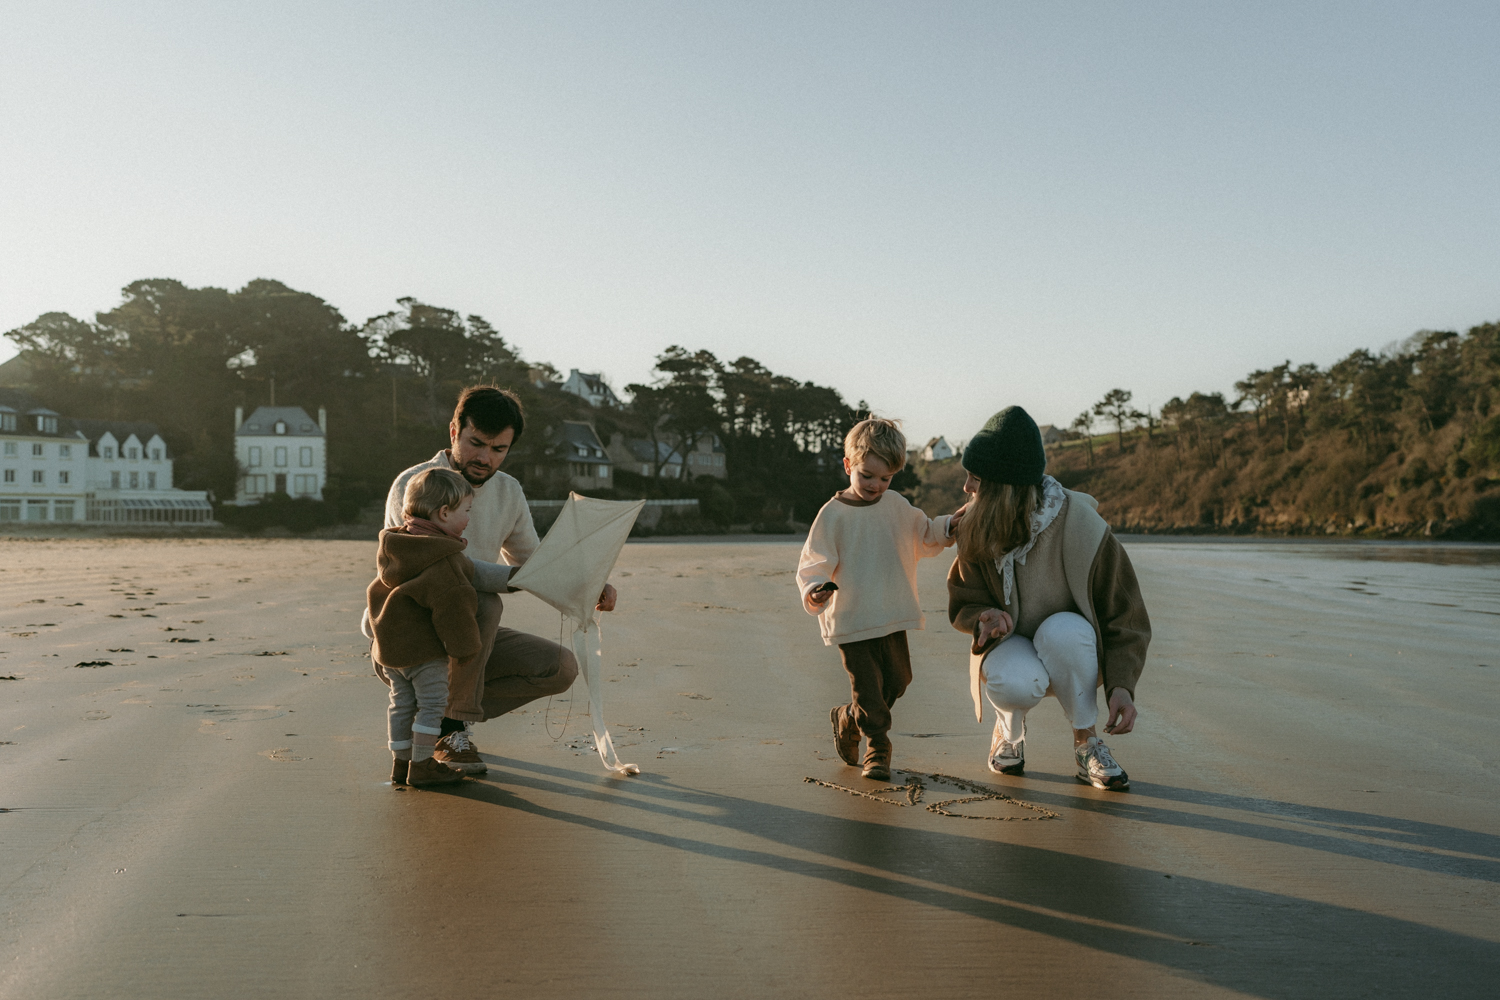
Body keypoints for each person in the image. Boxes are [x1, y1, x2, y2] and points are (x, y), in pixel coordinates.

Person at [372, 385, 618, 774]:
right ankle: (452, 727)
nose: (485, 458)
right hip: (408, 632)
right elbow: (418, 570)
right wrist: (511, 580)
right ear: (454, 431)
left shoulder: (508, 491)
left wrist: (588, 589)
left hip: (466, 630)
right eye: (476, 443)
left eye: (498, 449)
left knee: (559, 668)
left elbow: (535, 565)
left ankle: (439, 717)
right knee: (485, 601)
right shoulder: (417, 483)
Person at [947, 405, 1150, 790]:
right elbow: (964, 597)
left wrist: (1122, 685)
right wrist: (984, 615)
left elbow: (1126, 614)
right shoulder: (973, 526)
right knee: (1013, 682)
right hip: (1010, 645)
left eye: (974, 478)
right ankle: (1008, 733)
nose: (966, 488)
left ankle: (1086, 742)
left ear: (1002, 486)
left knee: (1065, 630)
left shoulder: (1083, 527)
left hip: (1072, 647)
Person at [797, 417, 963, 781]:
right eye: (867, 476)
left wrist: (949, 525)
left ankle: (847, 718)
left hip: (891, 612)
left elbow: (924, 534)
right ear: (848, 466)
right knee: (869, 688)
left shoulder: (896, 506)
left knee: (899, 679)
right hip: (852, 619)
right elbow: (814, 563)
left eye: (885, 478)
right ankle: (878, 748)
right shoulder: (833, 515)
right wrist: (816, 589)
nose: (876, 485)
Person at [367, 468, 480, 787]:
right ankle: (422, 765)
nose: (469, 518)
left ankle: (400, 764)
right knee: (431, 706)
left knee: (401, 704)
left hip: (391, 651)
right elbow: (454, 608)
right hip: (424, 653)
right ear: (444, 513)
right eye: (466, 511)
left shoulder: (396, 547)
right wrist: (466, 650)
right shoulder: (442, 558)